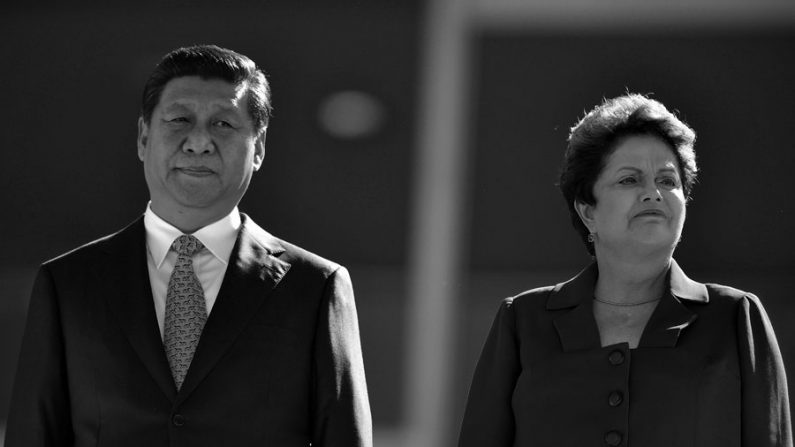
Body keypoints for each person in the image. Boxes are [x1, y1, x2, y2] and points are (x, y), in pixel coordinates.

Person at [5, 44, 372, 447]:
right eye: (180, 119)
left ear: (260, 147)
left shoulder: (316, 288)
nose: (199, 142)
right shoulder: (68, 284)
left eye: (223, 124)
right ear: (144, 137)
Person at [458, 93, 791, 446]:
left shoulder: (736, 318)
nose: (653, 193)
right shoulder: (523, 322)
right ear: (588, 211)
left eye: (667, 180)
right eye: (629, 180)